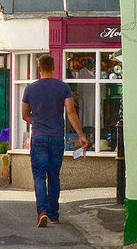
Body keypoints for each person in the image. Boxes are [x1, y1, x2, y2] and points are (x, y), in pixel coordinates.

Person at [21, 54, 89, 228]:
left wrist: (35, 121)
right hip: (57, 138)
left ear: (39, 67)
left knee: (38, 176)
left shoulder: (30, 89)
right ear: (53, 67)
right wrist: (81, 135)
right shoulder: (63, 88)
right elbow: (71, 112)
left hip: (39, 138)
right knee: (54, 176)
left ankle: (41, 211)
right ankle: (53, 214)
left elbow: (24, 115)